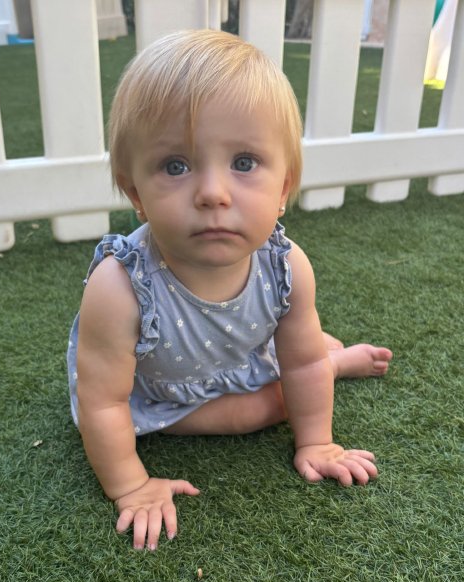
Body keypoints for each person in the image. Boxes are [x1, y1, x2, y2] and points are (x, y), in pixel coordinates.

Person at [67, 29, 392, 551]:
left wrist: (317, 442)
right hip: (159, 390)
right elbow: (103, 402)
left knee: (306, 362)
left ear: (283, 187)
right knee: (254, 412)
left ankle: (334, 360)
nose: (213, 193)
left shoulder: (286, 265)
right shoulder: (121, 286)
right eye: (176, 166)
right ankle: (336, 360)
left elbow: (301, 362)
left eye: (243, 163)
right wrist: (130, 485)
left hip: (239, 355)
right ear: (136, 193)